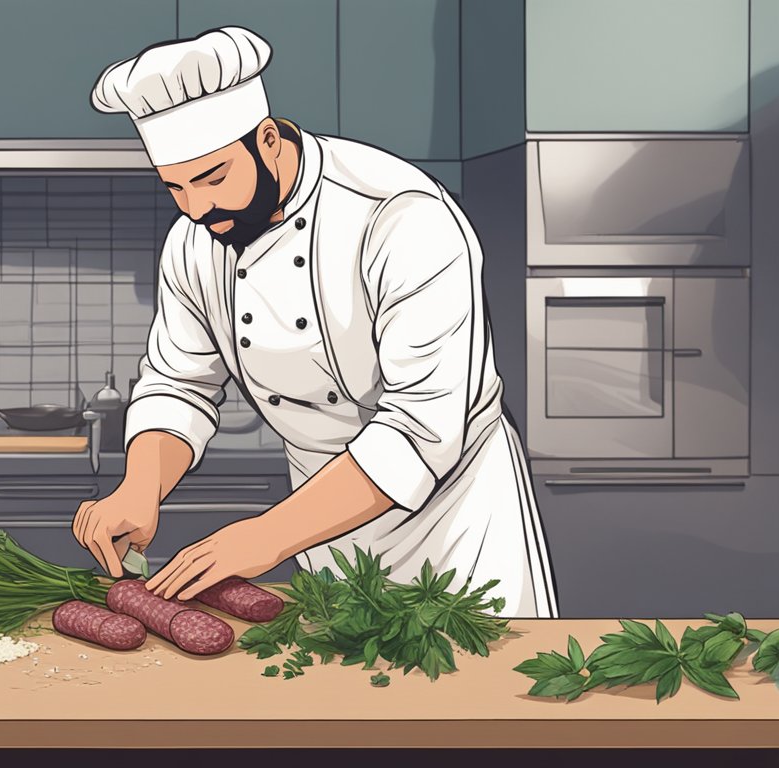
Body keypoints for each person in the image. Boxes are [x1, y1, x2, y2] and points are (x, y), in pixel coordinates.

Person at [72, 27, 558, 618]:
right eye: (174, 187)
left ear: (269, 139)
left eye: (214, 178)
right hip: (322, 528)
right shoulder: (195, 242)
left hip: (457, 531)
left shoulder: (401, 219)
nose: (197, 209)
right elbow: (180, 383)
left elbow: (420, 427)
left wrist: (265, 537)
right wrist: (140, 486)